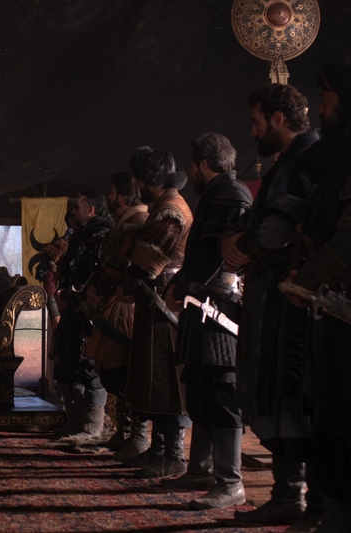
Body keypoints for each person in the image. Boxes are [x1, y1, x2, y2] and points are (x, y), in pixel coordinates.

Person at [220, 84, 322, 527]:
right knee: (275, 393)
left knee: (292, 395)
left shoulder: (308, 158)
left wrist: (242, 245)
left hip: (294, 301)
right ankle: (288, 495)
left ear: (279, 118)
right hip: (272, 296)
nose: (253, 131)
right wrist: (237, 240)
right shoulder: (288, 161)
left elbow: (279, 227)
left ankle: (302, 500)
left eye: (257, 121)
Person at [162, 133, 252, 510]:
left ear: (203, 163)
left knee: (219, 390)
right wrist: (182, 287)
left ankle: (230, 482)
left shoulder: (230, 194)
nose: (191, 172)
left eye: (192, 164)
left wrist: (184, 286)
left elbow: (219, 257)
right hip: (201, 306)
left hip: (219, 310)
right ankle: (200, 469)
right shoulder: (216, 194)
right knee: (200, 386)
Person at [283, 63, 351, 531]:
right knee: (328, 413)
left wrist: (306, 280)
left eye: (327, 100)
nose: (321, 108)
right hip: (331, 307)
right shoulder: (336, 151)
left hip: (340, 302)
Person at [114, 147, 193, 479]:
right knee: (155, 378)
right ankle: (159, 450)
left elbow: (149, 259)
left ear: (147, 180)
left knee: (166, 379)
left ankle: (172, 455)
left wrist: (127, 284)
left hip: (165, 303)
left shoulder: (170, 211)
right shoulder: (165, 206)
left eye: (139, 180)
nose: (138, 186)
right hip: (155, 301)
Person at [83, 172, 148, 454]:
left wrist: (100, 287)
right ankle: (123, 431)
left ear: (122, 196)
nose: (109, 197)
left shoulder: (138, 219)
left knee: (123, 370)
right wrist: (95, 285)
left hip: (124, 304)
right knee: (112, 371)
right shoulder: (125, 220)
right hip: (112, 300)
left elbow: (122, 263)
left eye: (112, 193)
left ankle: (135, 435)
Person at [52, 192, 113, 439]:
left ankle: (91, 426)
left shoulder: (101, 231)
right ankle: (75, 422)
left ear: (91, 210)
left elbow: (93, 270)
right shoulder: (79, 234)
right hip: (74, 308)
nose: (73, 211)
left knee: (89, 366)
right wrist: (63, 293)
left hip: (90, 311)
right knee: (69, 364)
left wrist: (72, 293)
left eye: (77, 207)